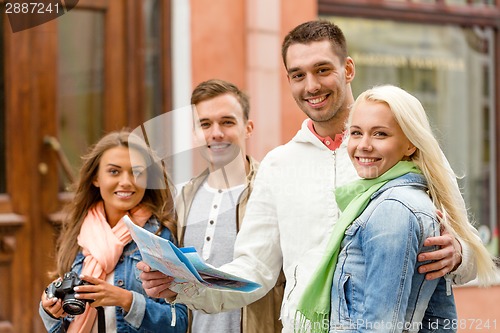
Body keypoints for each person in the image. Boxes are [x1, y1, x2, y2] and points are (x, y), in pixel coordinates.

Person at [138, 20, 479, 332]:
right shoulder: (278, 165)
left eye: (322, 70)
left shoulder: (397, 148)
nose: (311, 85)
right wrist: (184, 285)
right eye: (298, 74)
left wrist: (459, 254)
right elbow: (253, 271)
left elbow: (472, 256)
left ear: (347, 69)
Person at [295, 85, 497, 332]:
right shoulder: (380, 192)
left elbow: (380, 326)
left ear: (410, 145)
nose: (364, 145)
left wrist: (459, 254)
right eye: (356, 133)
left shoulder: (393, 209)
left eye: (380, 134)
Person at [39, 130, 188, 333]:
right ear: (96, 178)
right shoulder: (79, 233)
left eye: (136, 172)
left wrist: (126, 300)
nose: (126, 181)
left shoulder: (161, 237)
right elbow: (63, 325)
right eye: (114, 171)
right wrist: (50, 311)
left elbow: (179, 322)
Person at [176, 79, 284, 333]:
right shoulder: (182, 197)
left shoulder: (271, 192)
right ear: (195, 133)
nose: (216, 133)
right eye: (205, 124)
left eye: (227, 122)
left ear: (248, 127)